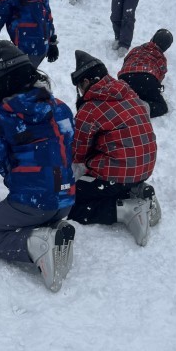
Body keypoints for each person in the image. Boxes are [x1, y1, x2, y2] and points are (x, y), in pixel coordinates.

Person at [0, 41, 76, 293]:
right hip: (67, 199)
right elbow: (70, 144)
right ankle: (51, 227)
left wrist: (16, 176)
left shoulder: (4, 115)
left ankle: (36, 244)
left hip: (33, 200)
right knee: (43, 205)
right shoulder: (61, 107)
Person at [68, 50, 159, 246]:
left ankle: (125, 210)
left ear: (86, 82)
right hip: (145, 166)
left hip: (119, 173)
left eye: (79, 87)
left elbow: (78, 153)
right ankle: (137, 190)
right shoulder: (128, 92)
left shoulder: (90, 109)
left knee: (69, 202)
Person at [117, 28, 173, 118]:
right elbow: (160, 77)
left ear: (153, 38)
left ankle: (120, 101)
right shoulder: (161, 58)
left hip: (125, 77)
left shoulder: (136, 49)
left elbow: (126, 61)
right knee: (162, 107)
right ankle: (142, 107)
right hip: (147, 78)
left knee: (124, 93)